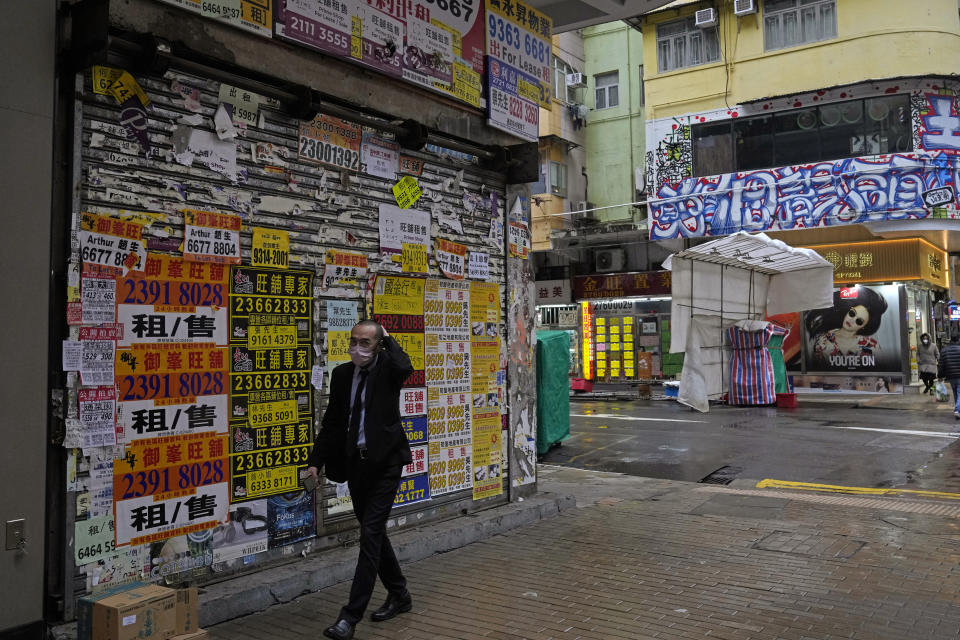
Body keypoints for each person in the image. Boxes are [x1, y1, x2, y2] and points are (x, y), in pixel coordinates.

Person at [305, 320, 414, 640]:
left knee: (369, 534)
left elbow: (405, 365)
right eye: (354, 341)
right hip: (356, 466)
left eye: (365, 342)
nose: (357, 348)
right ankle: (400, 594)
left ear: (378, 345)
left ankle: (349, 618)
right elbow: (333, 424)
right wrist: (315, 463)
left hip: (387, 465)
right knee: (374, 533)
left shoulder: (388, 370)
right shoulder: (341, 375)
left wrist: (387, 337)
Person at [806, 287, 887, 367]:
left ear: (863, 326)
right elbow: (819, 371)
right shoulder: (823, 341)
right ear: (847, 311)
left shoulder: (872, 346)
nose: (852, 320)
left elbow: (881, 372)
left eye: (859, 321)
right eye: (852, 313)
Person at [938, 334, 960, 419]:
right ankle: (957, 410)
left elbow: (941, 365)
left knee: (955, 393)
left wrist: (940, 375)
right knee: (959, 393)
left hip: (950, 376)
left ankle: (957, 410)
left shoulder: (944, 350)